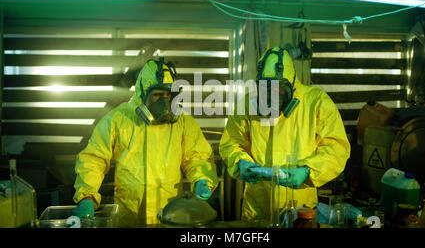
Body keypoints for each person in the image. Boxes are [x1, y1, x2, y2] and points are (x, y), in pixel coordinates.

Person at [72, 58, 219, 227]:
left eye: (168, 94)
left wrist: (202, 179)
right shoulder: (118, 119)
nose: (164, 101)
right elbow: (94, 158)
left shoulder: (183, 122)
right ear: (142, 93)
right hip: (129, 216)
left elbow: (197, 157)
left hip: (170, 215)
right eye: (157, 94)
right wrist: (86, 196)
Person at [219, 47, 350, 222]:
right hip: (258, 208)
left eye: (278, 89)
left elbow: (337, 148)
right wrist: (240, 161)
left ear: (291, 85)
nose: (271, 95)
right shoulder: (247, 104)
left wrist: (308, 171)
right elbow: (231, 143)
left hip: (301, 209)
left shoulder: (316, 102)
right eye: (266, 88)